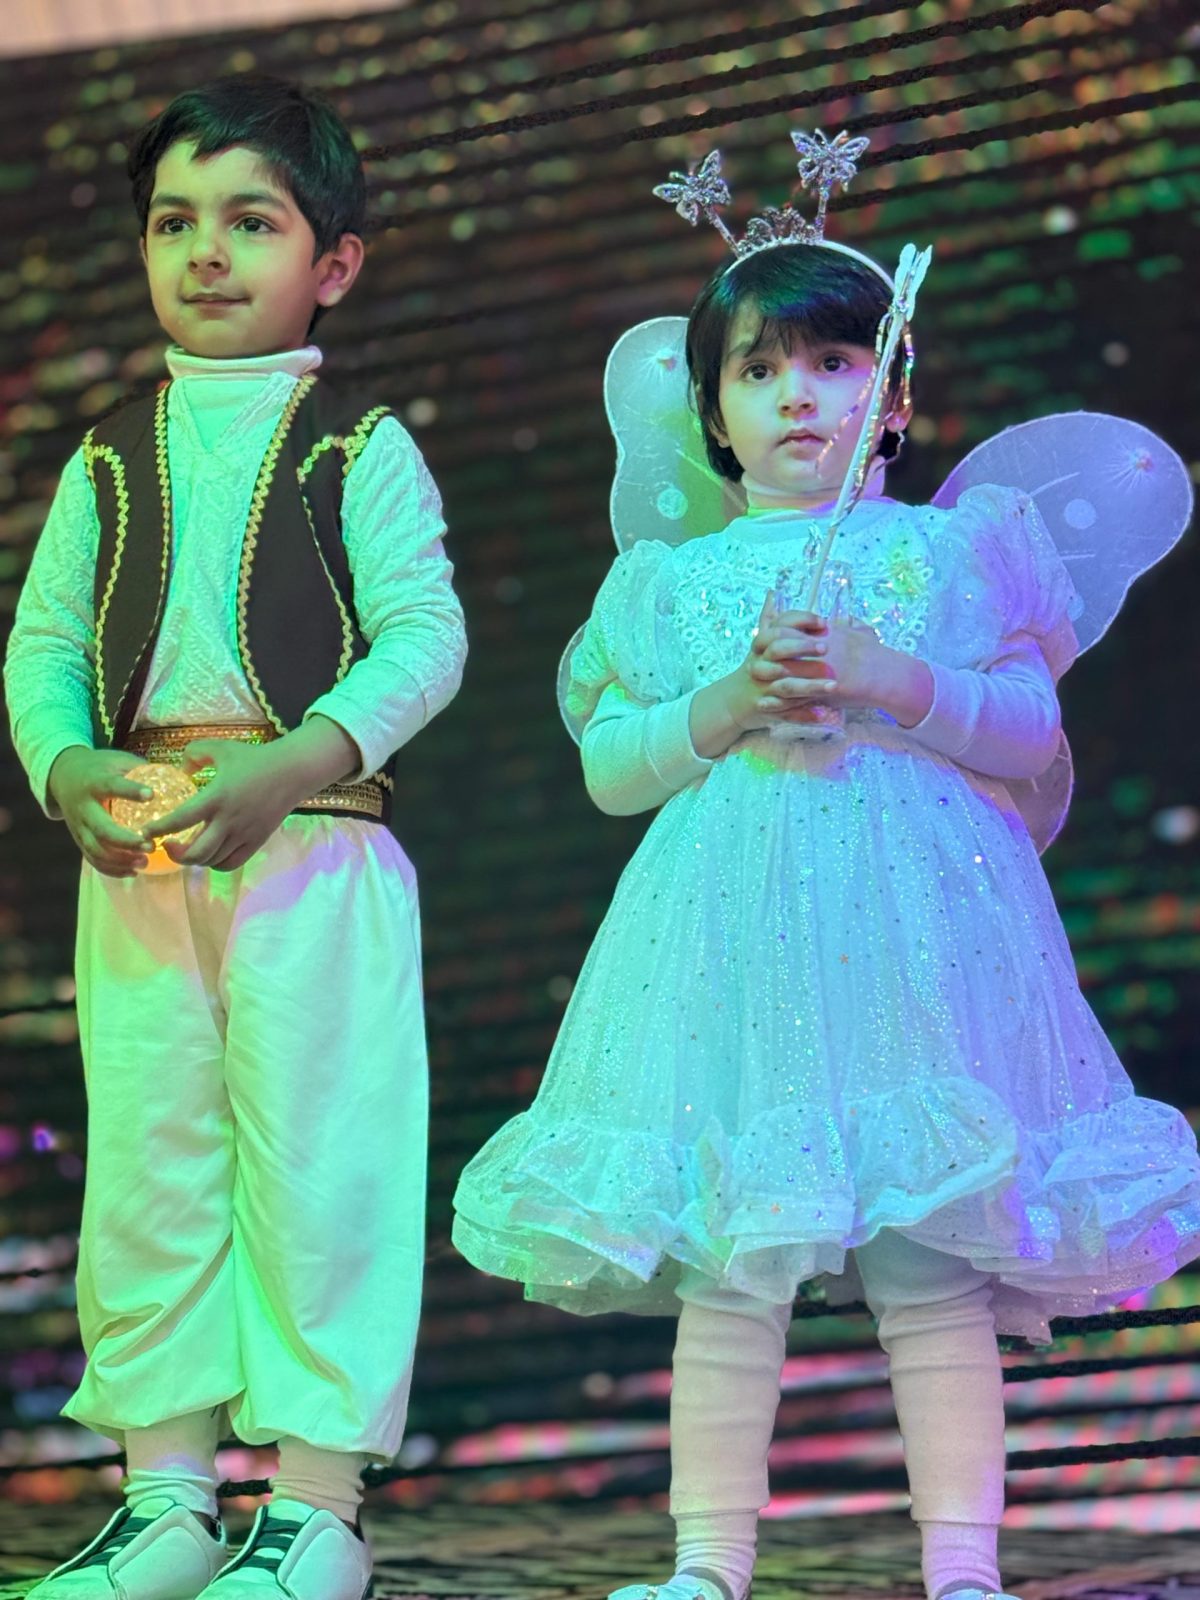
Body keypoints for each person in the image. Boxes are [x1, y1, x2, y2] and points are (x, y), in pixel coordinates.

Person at [451, 134, 1200, 1600]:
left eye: (837, 364)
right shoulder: (677, 583)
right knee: (734, 1260)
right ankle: (707, 1564)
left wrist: (891, 679)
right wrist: (728, 704)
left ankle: (964, 1567)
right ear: (714, 418)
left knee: (932, 1259)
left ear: (893, 396)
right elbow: (613, 770)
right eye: (761, 371)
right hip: (733, 936)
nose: (800, 395)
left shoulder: (949, 554)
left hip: (922, 936)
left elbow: (1026, 729)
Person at [5, 74, 466, 1600]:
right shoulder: (109, 454)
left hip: (313, 848)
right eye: (173, 222)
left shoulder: (358, 446)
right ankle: (168, 1502)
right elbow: (44, 643)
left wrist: (297, 761)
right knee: (150, 1166)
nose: (206, 253)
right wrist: (66, 763)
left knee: (323, 1169)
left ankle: (317, 1509)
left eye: (250, 222)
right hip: (143, 864)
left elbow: (424, 641)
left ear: (332, 262)